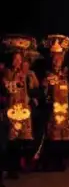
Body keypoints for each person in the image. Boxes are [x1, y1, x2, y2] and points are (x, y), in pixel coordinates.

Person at [1, 35, 40, 179]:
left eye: (20, 59)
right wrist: (15, 82)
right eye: (15, 58)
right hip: (11, 108)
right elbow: (7, 87)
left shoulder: (25, 73)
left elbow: (33, 88)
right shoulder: (7, 72)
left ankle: (17, 166)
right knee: (11, 139)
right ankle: (9, 168)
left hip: (23, 108)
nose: (17, 61)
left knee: (21, 140)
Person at [40, 35, 69, 171]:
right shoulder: (47, 75)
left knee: (65, 135)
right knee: (52, 135)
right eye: (54, 57)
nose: (56, 60)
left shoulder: (66, 76)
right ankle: (52, 162)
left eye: (59, 57)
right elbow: (44, 92)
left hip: (65, 112)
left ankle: (63, 160)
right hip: (53, 111)